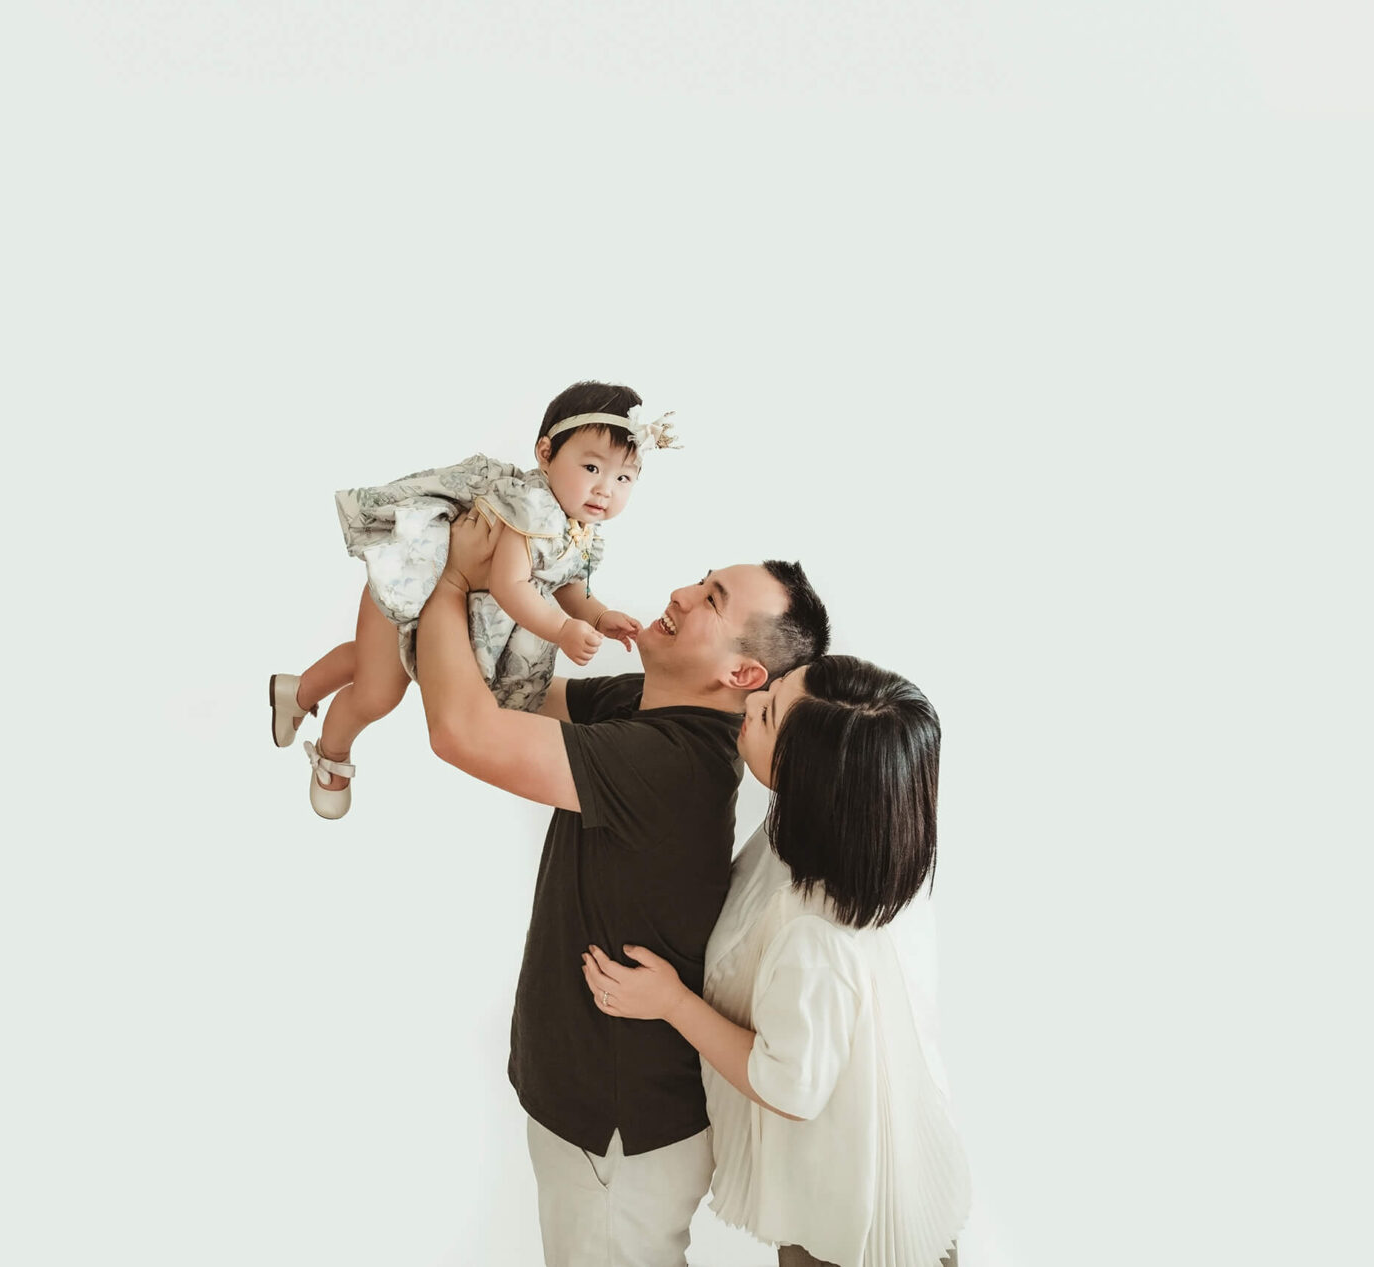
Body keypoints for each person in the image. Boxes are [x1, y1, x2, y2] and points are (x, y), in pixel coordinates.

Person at [418, 507, 831, 1267]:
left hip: (617, 1134)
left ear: (743, 674)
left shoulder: (673, 763)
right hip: (592, 1109)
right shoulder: (651, 703)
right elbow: (504, 696)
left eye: (711, 601)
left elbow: (463, 730)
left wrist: (447, 579)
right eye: (704, 580)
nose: (680, 592)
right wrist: (507, 584)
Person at [581, 656, 973, 1267]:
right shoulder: (869, 849)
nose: (752, 702)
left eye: (767, 712)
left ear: (810, 779)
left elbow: (790, 1084)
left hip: (859, 1232)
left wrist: (672, 1004)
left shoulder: (816, 932)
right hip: (879, 1178)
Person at [266, 380, 680, 818]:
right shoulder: (531, 508)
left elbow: (569, 585)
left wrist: (598, 616)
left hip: (446, 618)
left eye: (623, 477)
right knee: (379, 691)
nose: (605, 490)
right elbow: (509, 585)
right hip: (418, 589)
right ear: (546, 453)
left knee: (379, 661)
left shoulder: (580, 529)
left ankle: (296, 690)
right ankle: (333, 750)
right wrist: (561, 629)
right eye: (592, 468)